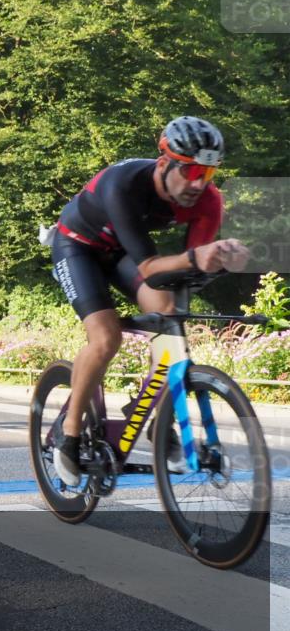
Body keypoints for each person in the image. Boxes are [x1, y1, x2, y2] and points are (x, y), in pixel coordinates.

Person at [49, 116, 250, 486]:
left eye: (207, 173)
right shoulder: (123, 184)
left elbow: (186, 270)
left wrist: (221, 262)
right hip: (77, 247)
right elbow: (151, 264)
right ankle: (70, 432)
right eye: (190, 171)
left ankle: (160, 419)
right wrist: (197, 257)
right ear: (163, 164)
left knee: (167, 311)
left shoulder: (208, 200)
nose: (197, 184)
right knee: (106, 337)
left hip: (121, 252)